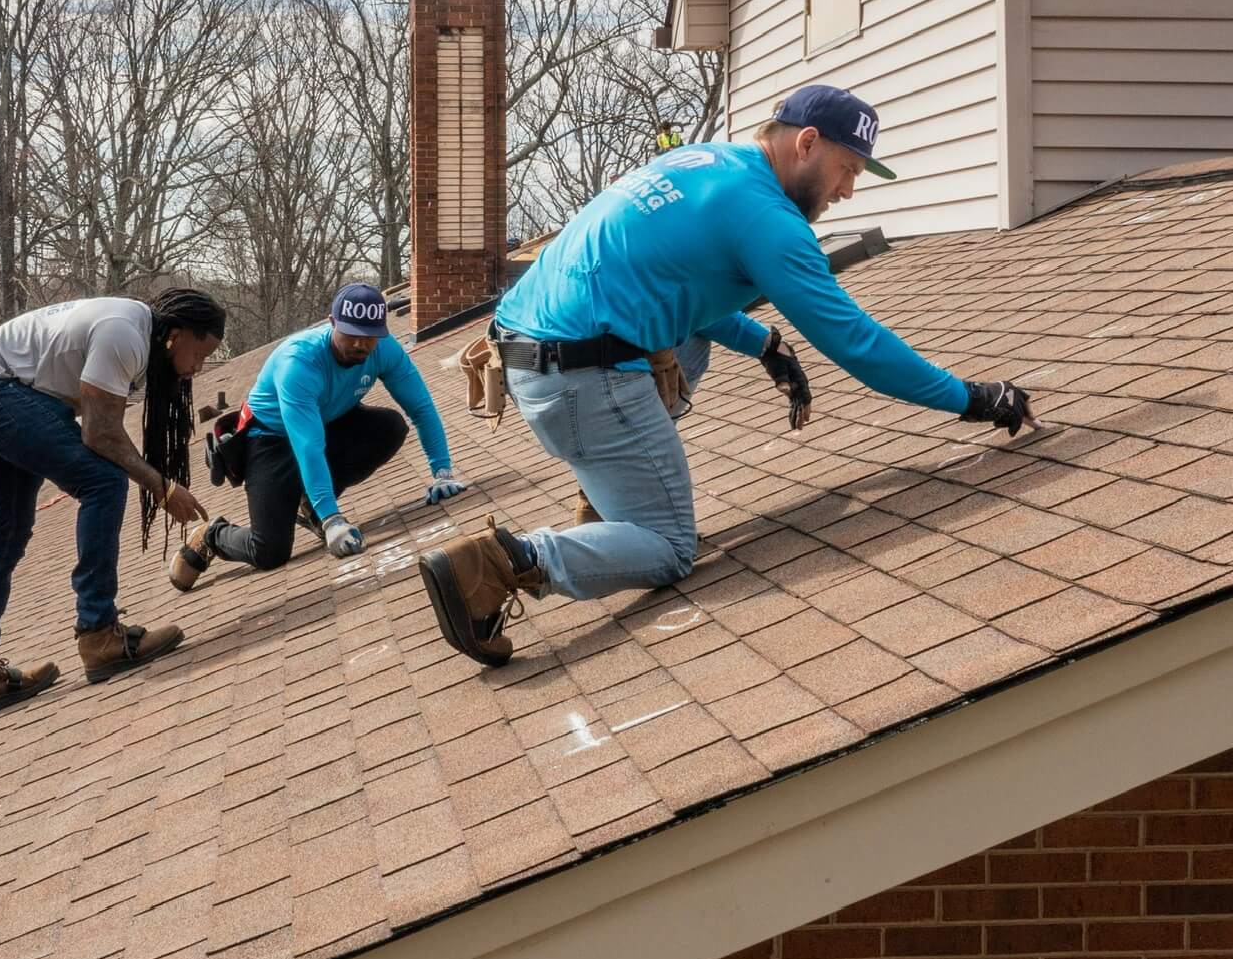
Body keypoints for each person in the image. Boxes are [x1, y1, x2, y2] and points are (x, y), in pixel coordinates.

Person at [415, 84, 1037, 666]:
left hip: (535, 355)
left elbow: (682, 288)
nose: (847, 191)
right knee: (670, 549)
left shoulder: (709, 162)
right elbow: (857, 344)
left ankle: (614, 492)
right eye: (848, 169)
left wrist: (764, 342)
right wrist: (973, 399)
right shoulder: (768, 220)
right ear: (808, 143)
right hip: (579, 379)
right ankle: (501, 562)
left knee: (690, 343)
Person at [0, 288, 226, 720]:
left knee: (5, 532)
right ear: (177, 335)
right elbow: (101, 434)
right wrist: (164, 488)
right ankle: (98, 632)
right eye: (199, 353)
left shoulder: (132, 329)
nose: (197, 369)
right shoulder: (126, 335)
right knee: (104, 481)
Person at [170, 282, 466, 591]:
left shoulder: (386, 350)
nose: (360, 345)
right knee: (269, 551)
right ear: (331, 323)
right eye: (351, 333)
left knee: (390, 427)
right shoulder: (299, 362)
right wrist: (332, 520)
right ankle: (211, 536)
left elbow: (421, 407)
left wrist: (442, 471)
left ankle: (310, 503)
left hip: (328, 420)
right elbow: (308, 445)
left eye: (369, 337)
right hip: (271, 438)